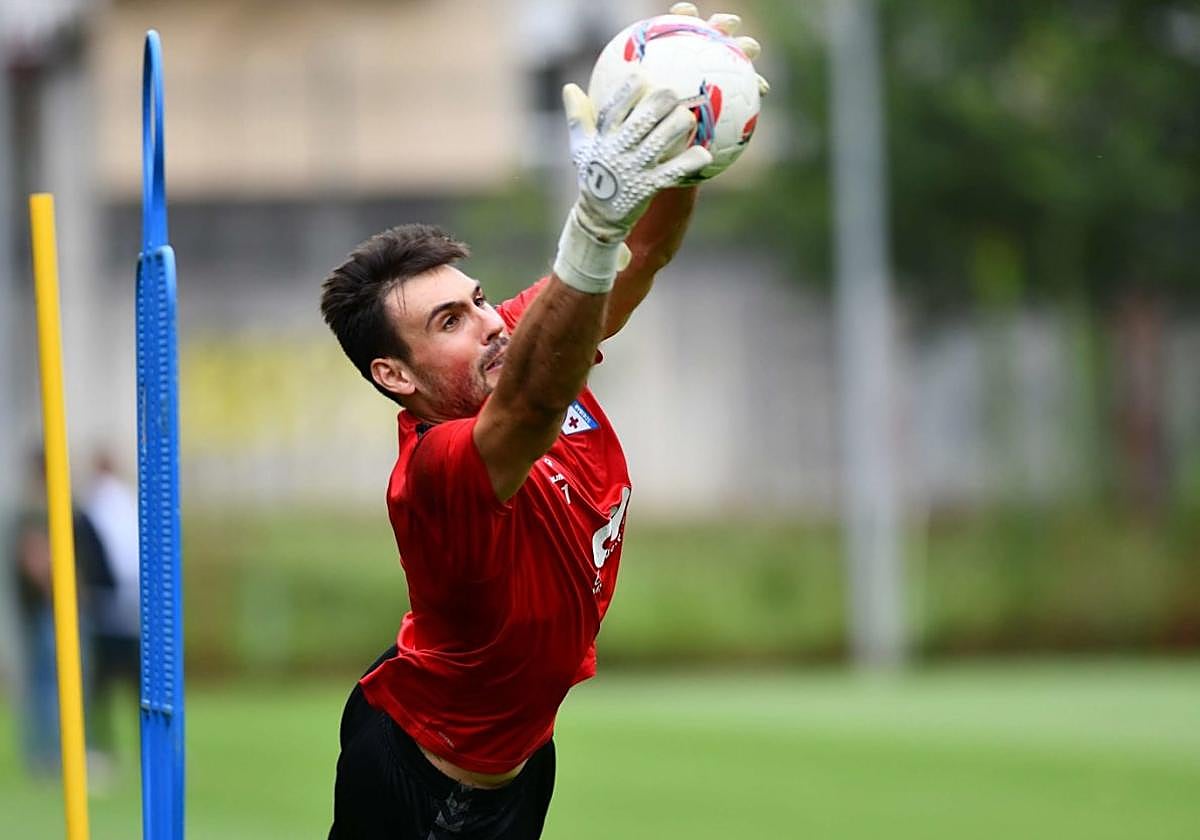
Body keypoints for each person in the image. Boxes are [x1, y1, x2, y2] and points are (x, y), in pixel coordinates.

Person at [320, 7, 764, 837]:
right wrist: (592, 224)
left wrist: (686, 136)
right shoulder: (437, 470)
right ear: (395, 376)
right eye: (448, 321)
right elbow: (532, 403)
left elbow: (639, 258)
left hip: (521, 760)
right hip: (424, 783)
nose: (489, 322)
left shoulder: (511, 349)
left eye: (480, 299)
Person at [81, 450, 141, 770]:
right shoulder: (125, 501)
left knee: (106, 682)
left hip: (114, 601)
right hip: (125, 601)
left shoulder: (104, 504)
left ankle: (105, 747)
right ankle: (109, 746)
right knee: (129, 682)